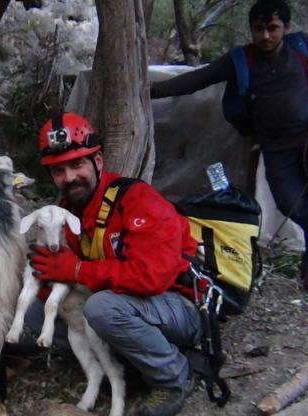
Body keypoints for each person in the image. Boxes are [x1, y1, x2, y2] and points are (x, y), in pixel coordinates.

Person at [150, 0, 308, 293]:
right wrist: (150, 90)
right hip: (275, 147)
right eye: (259, 29)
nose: (266, 36)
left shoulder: (300, 45)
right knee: (290, 203)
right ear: (251, 29)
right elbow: (195, 80)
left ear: (286, 27)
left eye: (273, 28)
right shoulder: (240, 60)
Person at [29, 112, 201, 416]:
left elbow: (152, 278)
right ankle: (127, 359)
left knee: (101, 309)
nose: (68, 178)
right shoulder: (66, 213)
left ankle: (173, 376)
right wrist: (47, 281)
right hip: (124, 305)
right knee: (34, 309)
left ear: (97, 160)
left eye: (77, 164)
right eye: (58, 170)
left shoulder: (138, 200)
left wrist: (77, 271)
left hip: (176, 305)